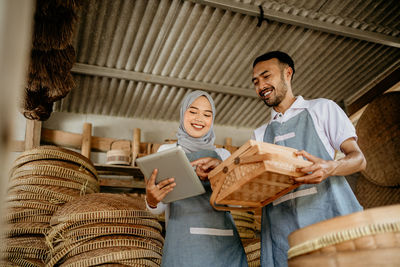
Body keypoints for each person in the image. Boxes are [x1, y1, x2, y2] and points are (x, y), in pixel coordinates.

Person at [251, 51, 366, 267]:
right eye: (256, 81)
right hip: (283, 238)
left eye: (267, 76)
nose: (261, 85)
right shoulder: (259, 135)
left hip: (330, 224)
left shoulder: (321, 109)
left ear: (288, 73)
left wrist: (330, 167)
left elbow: (359, 159)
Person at [145, 90, 248, 267]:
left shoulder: (223, 155)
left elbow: (237, 202)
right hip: (183, 245)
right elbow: (158, 208)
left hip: (224, 246)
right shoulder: (166, 152)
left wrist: (219, 172)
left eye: (207, 114)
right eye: (193, 111)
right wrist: (151, 200)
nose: (199, 118)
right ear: (182, 113)